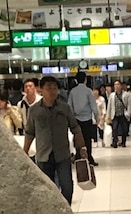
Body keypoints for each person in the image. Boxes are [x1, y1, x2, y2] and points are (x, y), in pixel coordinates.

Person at [22, 74, 88, 203]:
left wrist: (82, 148)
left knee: (67, 186)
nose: (52, 91)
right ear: (41, 90)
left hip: (62, 154)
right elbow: (29, 133)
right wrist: (24, 152)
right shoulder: (34, 110)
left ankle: (66, 210)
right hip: (43, 156)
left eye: (54, 88)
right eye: (48, 88)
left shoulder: (64, 108)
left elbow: (75, 128)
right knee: (46, 189)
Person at [68, 71, 100, 166]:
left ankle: (78, 156)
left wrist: (71, 118)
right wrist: (97, 116)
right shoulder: (88, 91)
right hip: (87, 119)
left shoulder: (72, 91)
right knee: (87, 140)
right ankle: (89, 157)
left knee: (77, 138)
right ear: (85, 79)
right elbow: (93, 105)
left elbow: (69, 106)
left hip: (76, 119)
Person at [107, 79, 131, 147]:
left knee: (124, 129)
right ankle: (115, 142)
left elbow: (129, 105)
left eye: (118, 84)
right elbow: (109, 106)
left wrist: (128, 113)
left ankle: (123, 142)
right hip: (115, 114)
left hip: (123, 114)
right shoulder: (112, 95)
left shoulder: (126, 94)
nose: (116, 86)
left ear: (121, 86)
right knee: (114, 128)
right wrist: (108, 116)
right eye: (115, 85)